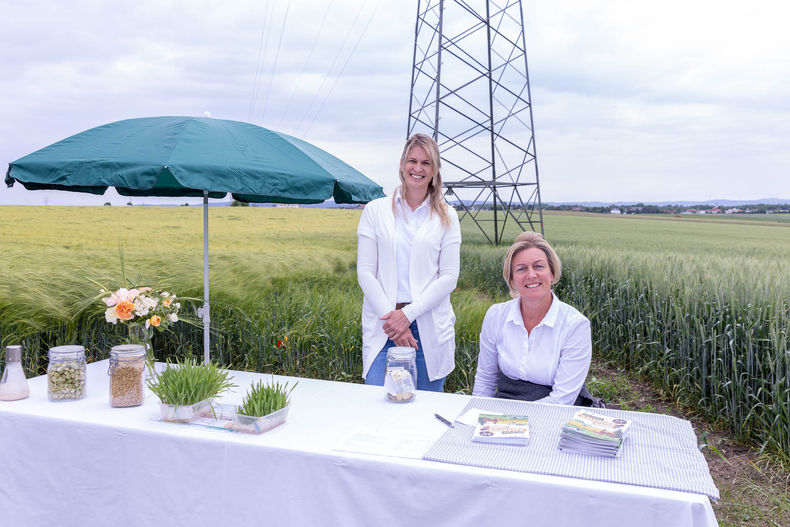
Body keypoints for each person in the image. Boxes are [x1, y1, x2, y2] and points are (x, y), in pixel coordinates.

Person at [356, 133, 461, 391]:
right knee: (377, 407)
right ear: (402, 165)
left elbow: (449, 277)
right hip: (385, 327)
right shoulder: (375, 211)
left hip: (429, 329)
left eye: (426, 163)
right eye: (412, 161)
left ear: (435, 170)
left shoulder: (448, 216)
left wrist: (407, 316)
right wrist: (395, 323)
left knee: (423, 415)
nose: (418, 168)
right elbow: (366, 272)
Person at [472, 231, 597, 405]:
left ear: (552, 274)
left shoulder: (575, 325)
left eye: (539, 266)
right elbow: (485, 381)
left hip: (556, 412)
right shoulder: (496, 316)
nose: (531, 275)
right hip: (506, 408)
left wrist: (514, 422)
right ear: (512, 280)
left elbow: (562, 399)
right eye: (521, 268)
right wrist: (479, 415)